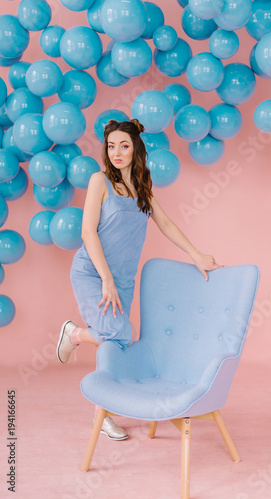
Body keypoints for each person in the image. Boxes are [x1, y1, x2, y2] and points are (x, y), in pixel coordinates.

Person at [57, 118, 221, 440]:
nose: (116, 152)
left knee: (114, 341)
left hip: (123, 282)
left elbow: (166, 223)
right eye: (111, 146)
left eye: (124, 146)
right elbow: (88, 232)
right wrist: (105, 278)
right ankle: (74, 334)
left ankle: (100, 414)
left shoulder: (142, 188)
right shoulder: (99, 181)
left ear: (136, 150)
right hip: (93, 273)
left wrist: (196, 254)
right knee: (117, 334)